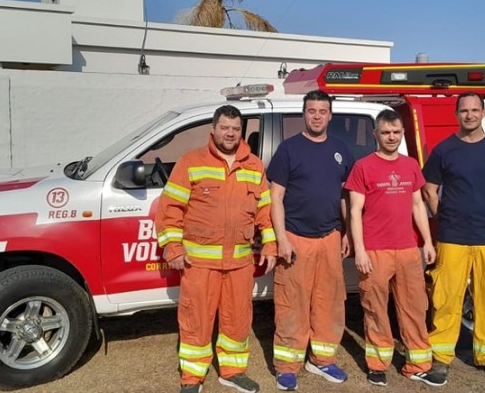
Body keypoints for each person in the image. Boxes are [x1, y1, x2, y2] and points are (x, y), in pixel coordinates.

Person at [155, 105, 277, 393]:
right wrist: (173, 247)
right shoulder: (191, 162)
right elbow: (170, 208)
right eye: (225, 128)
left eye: (235, 129)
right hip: (199, 263)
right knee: (195, 319)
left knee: (237, 319)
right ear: (214, 129)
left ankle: (232, 372)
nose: (230, 133)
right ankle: (192, 377)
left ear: (241, 131)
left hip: (240, 262)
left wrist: (270, 244)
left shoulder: (254, 165)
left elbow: (264, 211)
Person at [345, 109, 447, 388]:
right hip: (375, 251)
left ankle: (418, 365)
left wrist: (426, 241)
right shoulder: (363, 166)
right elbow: (355, 211)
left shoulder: (411, 165)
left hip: (408, 249)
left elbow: (417, 205)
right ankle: (378, 365)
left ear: (402, 134)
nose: (391, 137)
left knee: (414, 307)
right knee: (375, 309)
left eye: (396, 132)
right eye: (386, 132)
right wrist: (360, 251)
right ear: (376, 134)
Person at [421, 92, 485, 381]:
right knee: (446, 297)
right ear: (456, 114)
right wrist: (444, 214)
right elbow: (429, 188)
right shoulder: (443, 150)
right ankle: (441, 357)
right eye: (464, 111)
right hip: (452, 236)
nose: (470, 115)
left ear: (484, 113)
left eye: (475, 110)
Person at [267, 90, 354, 391]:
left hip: (330, 237)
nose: (317, 116)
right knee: (293, 304)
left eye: (322, 111)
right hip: (295, 238)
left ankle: (322, 360)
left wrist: (346, 233)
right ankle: (287, 366)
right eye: (311, 111)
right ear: (304, 114)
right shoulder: (288, 150)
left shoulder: (341, 150)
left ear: (330, 115)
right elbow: (275, 198)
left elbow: (345, 197)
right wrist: (281, 239)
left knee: (329, 302)